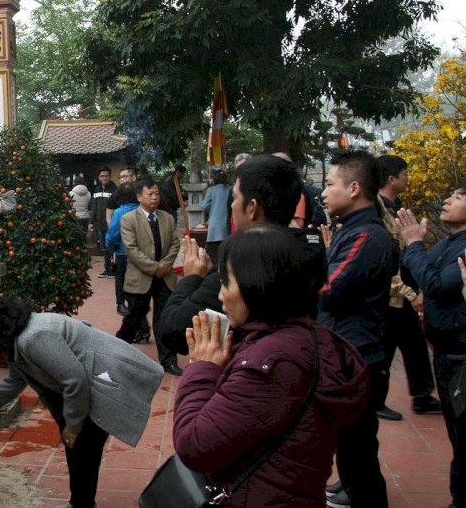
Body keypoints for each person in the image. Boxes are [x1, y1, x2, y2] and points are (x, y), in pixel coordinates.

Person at [173, 224, 369, 507]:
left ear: (256, 285)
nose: (220, 295)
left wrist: (202, 367)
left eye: (226, 282)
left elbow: (194, 446)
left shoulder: (272, 363)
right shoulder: (302, 335)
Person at [0, 295, 163, 508]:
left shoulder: (33, 337)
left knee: (82, 449)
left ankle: (82, 503)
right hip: (81, 390)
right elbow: (14, 381)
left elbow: (75, 382)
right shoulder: (17, 340)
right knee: (80, 452)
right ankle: (81, 502)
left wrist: (72, 425)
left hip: (97, 384)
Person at [158, 155, 324, 356]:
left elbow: (172, 330)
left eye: (235, 198)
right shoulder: (311, 249)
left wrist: (193, 277)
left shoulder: (243, 261)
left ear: (252, 208)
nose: (232, 206)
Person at [318, 150, 393, 508]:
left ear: (354, 188)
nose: (323, 192)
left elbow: (329, 292)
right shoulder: (352, 231)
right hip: (348, 354)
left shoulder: (365, 236)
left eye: (330, 184)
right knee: (351, 452)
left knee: (358, 457)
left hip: (359, 358)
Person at [398, 184, 466, 507]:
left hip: (461, 355)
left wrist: (415, 247)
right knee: (457, 435)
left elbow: (436, 285)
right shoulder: (446, 244)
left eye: (458, 196)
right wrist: (410, 247)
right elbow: (416, 277)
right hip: (444, 352)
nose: (448, 200)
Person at [374, 154, 441, 420]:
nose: (408, 179)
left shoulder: (396, 207)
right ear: (392, 178)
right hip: (392, 294)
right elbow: (388, 261)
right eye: (405, 174)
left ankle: (422, 395)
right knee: (385, 348)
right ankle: (376, 400)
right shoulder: (378, 210)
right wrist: (411, 293)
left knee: (414, 344)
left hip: (404, 291)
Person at [118, 177, 183, 375]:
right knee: (135, 317)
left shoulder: (167, 218)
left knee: (165, 318)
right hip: (141, 277)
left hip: (165, 277)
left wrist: (165, 265)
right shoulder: (129, 219)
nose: (155, 197)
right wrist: (155, 267)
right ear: (139, 197)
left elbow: (175, 243)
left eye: (157, 193)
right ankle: (119, 351)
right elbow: (131, 249)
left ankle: (168, 360)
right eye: (150, 194)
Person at [105, 182, 144, 327]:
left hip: (123, 252)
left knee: (121, 279)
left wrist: (110, 246)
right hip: (141, 254)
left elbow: (113, 233)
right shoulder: (142, 210)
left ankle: (120, 303)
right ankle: (142, 323)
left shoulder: (119, 212)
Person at [89, 167, 117, 278]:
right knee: (104, 248)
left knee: (112, 247)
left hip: (111, 224)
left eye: (106, 176)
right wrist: (91, 222)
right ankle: (107, 269)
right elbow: (94, 207)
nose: (104, 178)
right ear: (99, 177)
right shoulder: (96, 190)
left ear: (109, 176)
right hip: (100, 224)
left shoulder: (115, 190)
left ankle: (113, 269)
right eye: (102, 176)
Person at [201, 169, 231, 264]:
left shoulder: (212, 190)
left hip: (215, 228)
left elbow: (205, 206)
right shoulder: (231, 189)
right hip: (228, 225)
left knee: (214, 257)